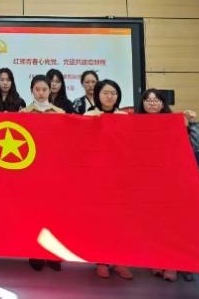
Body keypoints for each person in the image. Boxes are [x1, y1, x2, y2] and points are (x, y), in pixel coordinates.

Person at [138, 88, 199, 282]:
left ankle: (173, 263)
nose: (152, 103)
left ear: (162, 103)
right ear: (142, 103)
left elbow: (196, 145)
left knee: (173, 225)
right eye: (148, 100)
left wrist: (193, 123)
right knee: (153, 225)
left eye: (156, 99)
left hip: (173, 181)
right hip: (147, 183)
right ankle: (157, 261)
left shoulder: (174, 122)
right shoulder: (135, 123)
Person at [84, 79, 133, 280]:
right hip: (97, 176)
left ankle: (120, 261)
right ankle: (102, 261)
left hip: (120, 176)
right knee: (101, 220)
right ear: (98, 95)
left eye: (113, 93)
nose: (109, 96)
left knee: (121, 220)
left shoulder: (125, 118)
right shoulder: (88, 116)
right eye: (105, 92)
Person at [22, 75, 63, 272]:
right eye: (37, 89)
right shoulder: (23, 113)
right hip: (31, 170)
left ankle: (53, 254)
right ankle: (35, 252)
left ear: (50, 90)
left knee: (54, 213)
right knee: (33, 213)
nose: (41, 93)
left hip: (54, 169)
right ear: (31, 90)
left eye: (44, 89)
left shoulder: (60, 113)